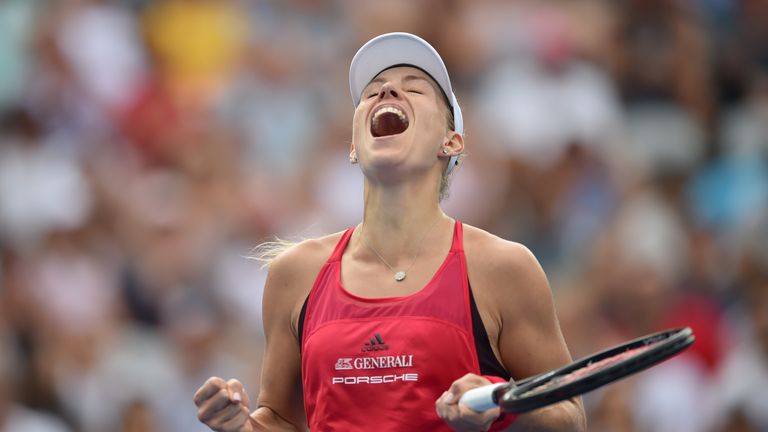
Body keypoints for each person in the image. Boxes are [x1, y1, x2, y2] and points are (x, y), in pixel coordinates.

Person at [193, 32, 586, 431]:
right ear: (352, 147)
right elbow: (278, 419)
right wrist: (240, 426)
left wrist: (501, 406)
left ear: (451, 142)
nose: (387, 91)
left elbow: (570, 417)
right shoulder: (294, 274)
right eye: (372, 93)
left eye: (414, 89)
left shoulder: (502, 268)